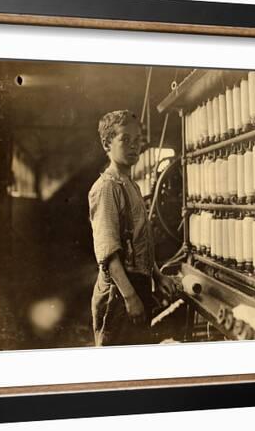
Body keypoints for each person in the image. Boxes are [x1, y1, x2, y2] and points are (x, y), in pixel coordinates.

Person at [89, 110, 177, 346]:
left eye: (137, 140)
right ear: (107, 143)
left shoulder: (131, 186)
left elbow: (139, 241)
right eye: (125, 140)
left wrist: (157, 276)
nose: (133, 146)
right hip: (118, 291)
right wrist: (130, 297)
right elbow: (108, 253)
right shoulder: (107, 188)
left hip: (137, 285)